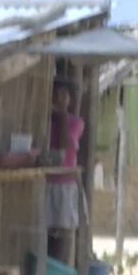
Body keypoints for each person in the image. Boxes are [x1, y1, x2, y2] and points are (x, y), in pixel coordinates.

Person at [47, 82, 83, 265]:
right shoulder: (47, 121)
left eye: (65, 96)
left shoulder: (76, 123)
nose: (61, 99)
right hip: (49, 184)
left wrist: (62, 114)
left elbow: (63, 145)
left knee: (65, 233)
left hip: (66, 185)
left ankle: (60, 270)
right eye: (58, 95)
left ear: (70, 100)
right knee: (47, 232)